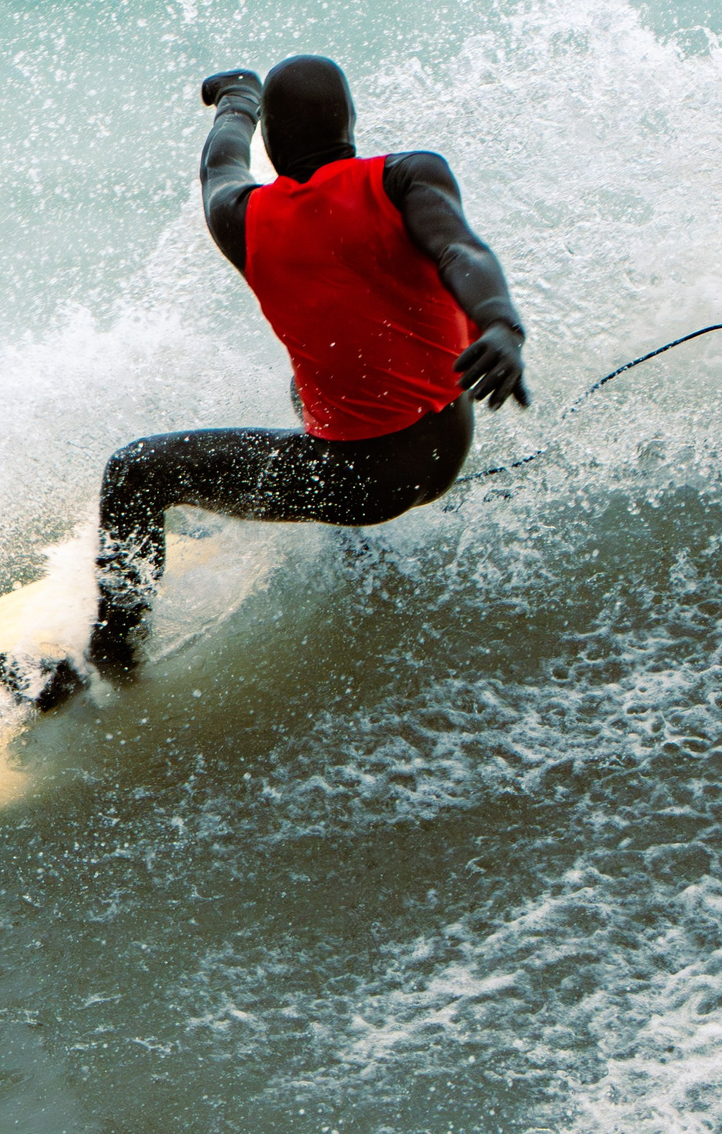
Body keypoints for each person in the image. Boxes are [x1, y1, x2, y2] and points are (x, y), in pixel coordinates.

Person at [77, 54, 529, 685]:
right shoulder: (408, 176)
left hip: (359, 482)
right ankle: (359, 540)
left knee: (136, 471)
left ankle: (110, 658)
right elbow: (460, 249)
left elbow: (219, 165)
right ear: (351, 122)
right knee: (302, 389)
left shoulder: (240, 218)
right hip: (448, 440)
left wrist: (238, 101)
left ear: (271, 140)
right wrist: (501, 325)